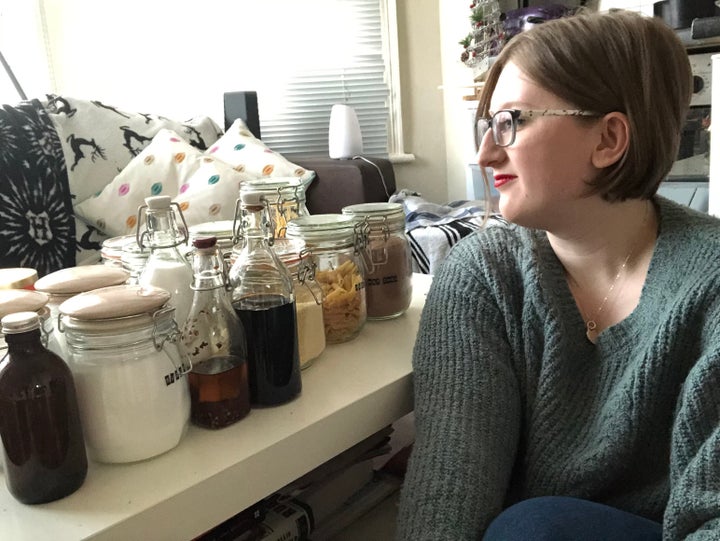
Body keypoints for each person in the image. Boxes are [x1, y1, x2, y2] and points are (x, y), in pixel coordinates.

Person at [395, 9, 720, 541]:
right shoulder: (482, 275)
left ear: (609, 139)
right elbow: (448, 493)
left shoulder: (711, 280)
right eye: (487, 124)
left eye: (513, 121)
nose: (484, 153)